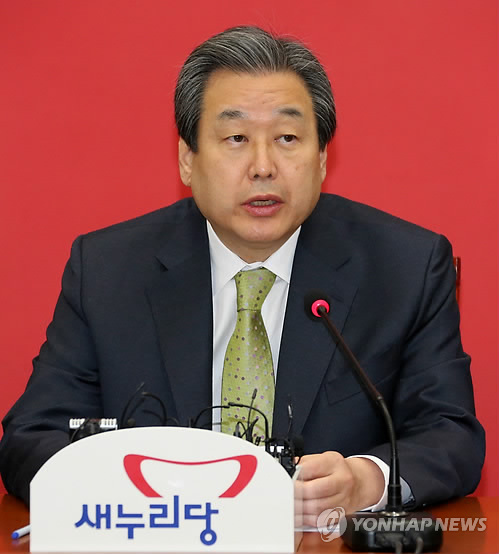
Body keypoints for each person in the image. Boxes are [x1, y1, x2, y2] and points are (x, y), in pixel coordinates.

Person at [0, 26, 484, 525]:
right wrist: (139, 496)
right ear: (188, 160)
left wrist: (368, 480)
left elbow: (451, 434)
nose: (263, 166)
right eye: (236, 139)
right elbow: (32, 436)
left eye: (287, 138)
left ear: (321, 158)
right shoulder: (108, 270)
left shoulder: (405, 267)